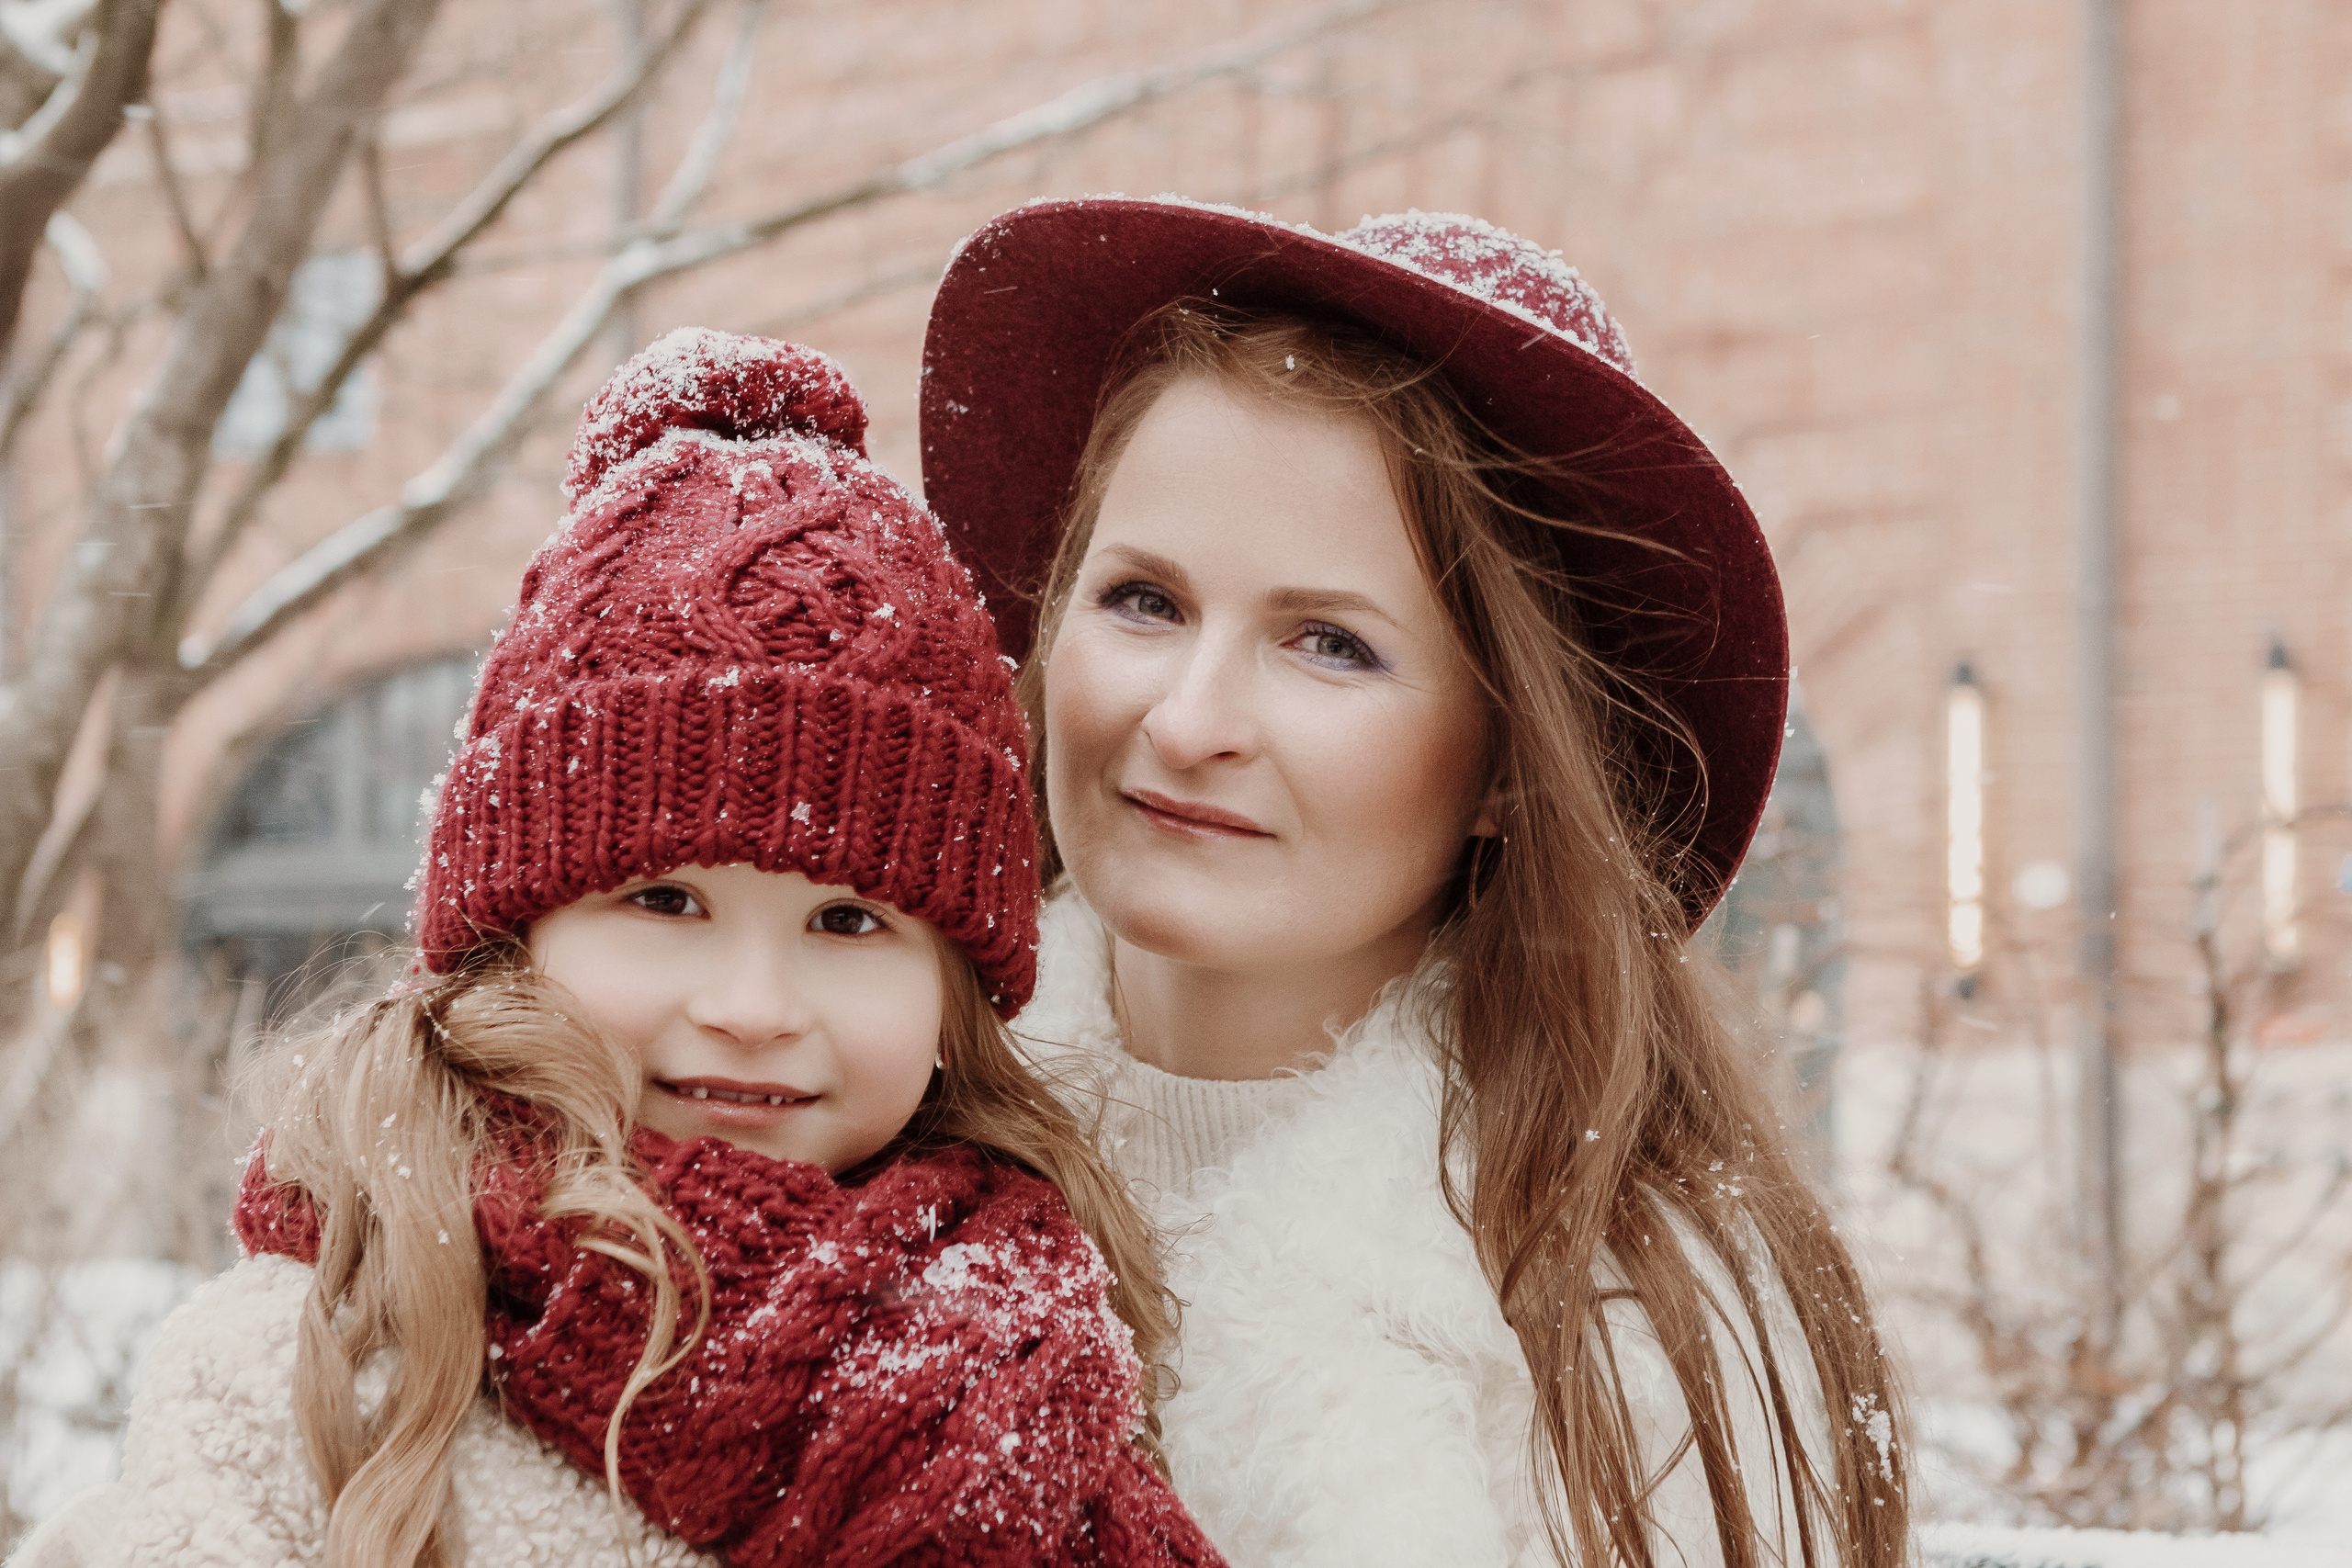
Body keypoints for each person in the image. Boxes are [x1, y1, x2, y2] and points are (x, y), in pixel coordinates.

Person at [31, 331, 1224, 1568]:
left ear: (952, 992)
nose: (755, 1006)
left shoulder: (1040, 1359)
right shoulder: (320, 1366)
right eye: (665, 903)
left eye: (848, 921)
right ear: (512, 938)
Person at [916, 200, 1912, 1568]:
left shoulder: (1637, 1338)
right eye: (1145, 601)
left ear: (1510, 760)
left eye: (1328, 643)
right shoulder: (850, 1120)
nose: (1189, 719)